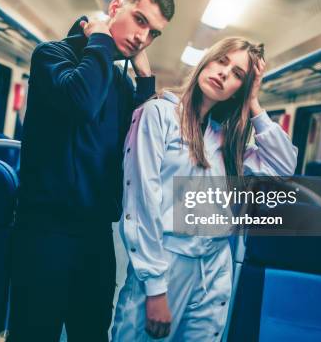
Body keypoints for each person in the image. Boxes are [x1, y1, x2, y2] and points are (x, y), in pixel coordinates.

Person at [9, 0, 175, 341]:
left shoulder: (120, 83)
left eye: (153, 33)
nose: (142, 37)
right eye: (140, 20)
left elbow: (140, 138)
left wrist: (145, 77)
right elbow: (81, 101)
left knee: (92, 331)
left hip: (96, 235)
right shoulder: (52, 55)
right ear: (115, 7)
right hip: (44, 232)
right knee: (34, 332)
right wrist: (99, 39)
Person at [111, 37, 298, 341]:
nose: (225, 73)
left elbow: (283, 167)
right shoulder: (157, 115)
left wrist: (253, 103)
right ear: (206, 61)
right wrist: (156, 289)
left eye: (238, 74)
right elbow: (141, 204)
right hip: (167, 262)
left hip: (214, 266)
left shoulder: (224, 139)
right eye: (222, 61)